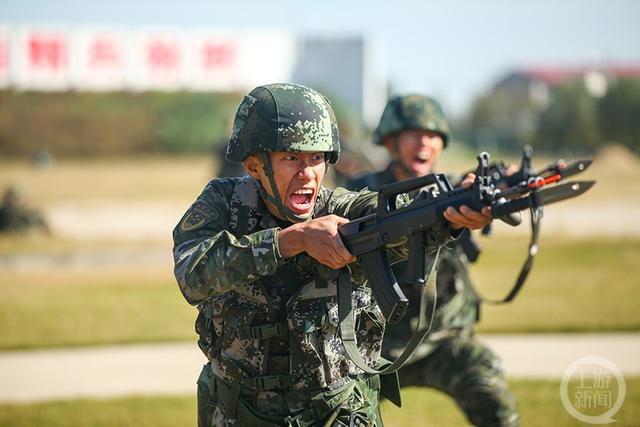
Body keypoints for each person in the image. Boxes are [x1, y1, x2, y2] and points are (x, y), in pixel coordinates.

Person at [172, 84, 491, 426]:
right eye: (291, 158)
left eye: (317, 158)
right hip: (241, 412)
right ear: (254, 165)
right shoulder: (224, 204)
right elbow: (193, 274)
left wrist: (449, 215)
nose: (307, 173)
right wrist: (291, 240)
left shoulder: (341, 207)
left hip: (338, 411)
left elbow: (393, 218)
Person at [346, 95, 519, 427]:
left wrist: (506, 187)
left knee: (495, 402)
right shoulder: (357, 196)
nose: (424, 142)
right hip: (370, 346)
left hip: (443, 340)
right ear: (391, 141)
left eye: (433, 134)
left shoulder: (455, 189)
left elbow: (481, 187)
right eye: (412, 133)